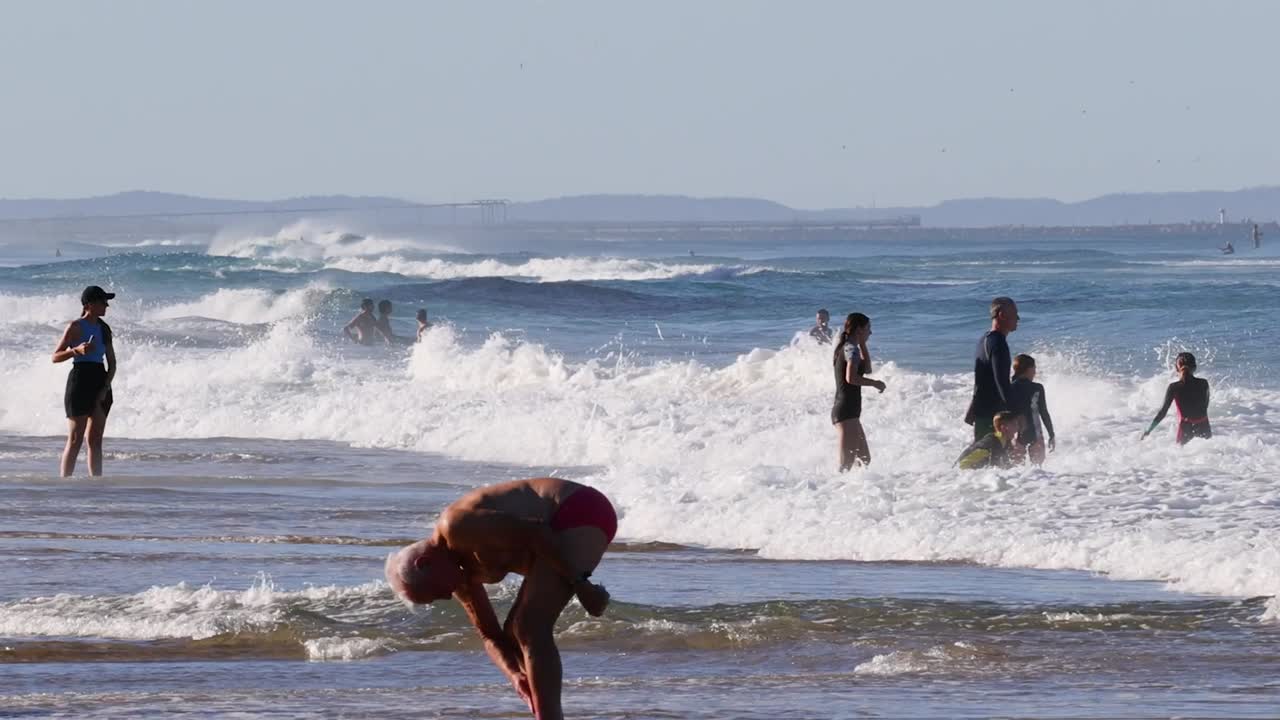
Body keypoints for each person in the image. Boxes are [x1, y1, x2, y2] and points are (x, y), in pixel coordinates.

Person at [385, 478, 616, 720]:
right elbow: (490, 635)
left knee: (529, 626)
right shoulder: (458, 576)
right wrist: (515, 674)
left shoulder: (456, 526)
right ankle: (543, 711)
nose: (444, 596)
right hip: (553, 536)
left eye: (434, 592)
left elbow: (535, 532)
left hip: (577, 508)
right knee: (514, 633)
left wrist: (581, 584)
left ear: (425, 563)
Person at [51, 285, 118, 477]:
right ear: (89, 305)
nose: (106, 305)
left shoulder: (104, 328)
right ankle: (65, 484)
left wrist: (105, 387)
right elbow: (55, 357)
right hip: (80, 379)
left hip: (100, 380)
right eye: (103, 302)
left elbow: (112, 363)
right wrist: (76, 351)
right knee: (75, 438)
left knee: (95, 439)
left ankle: (95, 483)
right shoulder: (75, 326)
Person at [831, 313, 886, 470]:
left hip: (851, 412)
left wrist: (862, 343)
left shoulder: (853, 348)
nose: (871, 332)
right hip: (845, 411)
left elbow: (867, 369)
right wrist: (875, 384)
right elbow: (851, 378)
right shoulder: (850, 349)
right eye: (868, 328)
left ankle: (855, 493)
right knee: (845, 466)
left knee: (864, 460)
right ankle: (831, 492)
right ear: (859, 329)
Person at [965, 296, 1018, 442]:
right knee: (994, 460)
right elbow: (1001, 382)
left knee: (982, 459)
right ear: (1002, 315)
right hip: (994, 417)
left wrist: (973, 407)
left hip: (983, 412)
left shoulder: (984, 339)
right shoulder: (998, 343)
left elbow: (981, 380)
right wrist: (1015, 415)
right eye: (1015, 314)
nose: (1018, 318)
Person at [1143, 352, 1211, 444]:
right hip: (1204, 427)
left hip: (1185, 429)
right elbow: (1205, 406)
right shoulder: (1204, 383)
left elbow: (1162, 412)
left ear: (1176, 368)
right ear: (1195, 367)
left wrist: (1148, 430)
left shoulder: (1174, 387)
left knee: (1181, 457)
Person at [1008, 354, 1056, 465]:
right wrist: (1051, 434)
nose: (1035, 372)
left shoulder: (1009, 387)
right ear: (1029, 369)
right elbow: (1043, 412)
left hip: (1015, 435)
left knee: (1015, 473)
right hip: (1035, 434)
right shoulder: (1037, 388)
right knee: (1037, 473)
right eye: (1034, 368)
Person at [956, 411, 1020, 470]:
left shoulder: (1002, 441)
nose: (1017, 428)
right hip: (961, 473)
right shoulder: (991, 444)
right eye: (1014, 425)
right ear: (1003, 428)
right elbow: (962, 465)